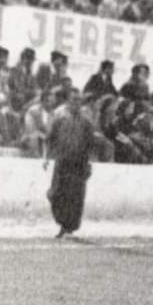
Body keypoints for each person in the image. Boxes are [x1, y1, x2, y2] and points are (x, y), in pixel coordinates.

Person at [44, 87, 98, 238]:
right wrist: (47, 157)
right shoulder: (59, 116)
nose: (76, 103)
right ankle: (62, 222)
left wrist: (89, 163)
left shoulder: (86, 119)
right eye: (73, 100)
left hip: (79, 161)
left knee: (75, 197)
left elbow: (90, 142)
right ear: (68, 100)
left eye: (79, 100)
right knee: (56, 193)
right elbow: (50, 137)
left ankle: (68, 228)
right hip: (63, 159)